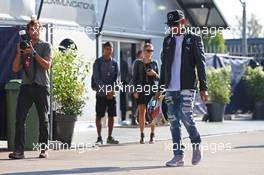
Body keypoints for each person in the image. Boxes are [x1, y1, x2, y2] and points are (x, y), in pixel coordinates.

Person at [155, 10, 208, 166]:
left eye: (175, 24)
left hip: (187, 86)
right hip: (171, 88)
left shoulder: (194, 39)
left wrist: (204, 88)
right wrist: (160, 87)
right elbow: (164, 65)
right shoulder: (167, 41)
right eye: (170, 25)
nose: (173, 27)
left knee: (186, 116)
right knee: (173, 121)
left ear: (183, 23)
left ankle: (196, 143)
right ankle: (178, 156)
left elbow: (201, 63)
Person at [9, 19, 52, 159]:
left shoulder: (46, 45)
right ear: (28, 31)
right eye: (31, 29)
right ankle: (19, 151)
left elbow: (47, 65)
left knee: (43, 119)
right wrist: (19, 53)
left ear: (40, 30)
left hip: (41, 86)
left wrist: (33, 52)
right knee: (19, 118)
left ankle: (43, 149)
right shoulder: (23, 46)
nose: (34, 31)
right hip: (26, 86)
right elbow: (15, 68)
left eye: (36, 28)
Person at [92, 41, 119, 145]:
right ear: (104, 50)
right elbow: (96, 78)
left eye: (110, 49)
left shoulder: (115, 63)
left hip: (111, 94)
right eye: (106, 49)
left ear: (112, 50)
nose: (108, 51)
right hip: (101, 94)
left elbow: (117, 78)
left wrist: (112, 90)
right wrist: (106, 90)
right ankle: (99, 137)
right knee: (99, 115)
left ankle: (109, 137)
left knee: (111, 115)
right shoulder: (98, 62)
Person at [132, 43, 159, 144]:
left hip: (152, 90)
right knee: (142, 112)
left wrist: (154, 73)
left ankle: (152, 135)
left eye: (151, 51)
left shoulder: (155, 63)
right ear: (143, 51)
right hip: (141, 90)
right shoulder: (137, 63)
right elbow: (134, 78)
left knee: (153, 113)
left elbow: (159, 78)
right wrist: (135, 90)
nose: (150, 53)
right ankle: (142, 135)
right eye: (148, 51)